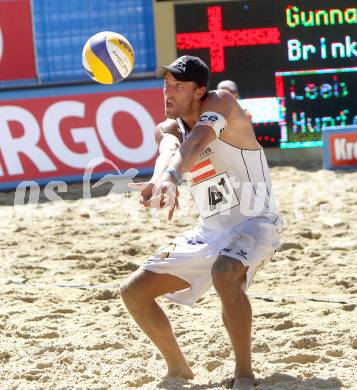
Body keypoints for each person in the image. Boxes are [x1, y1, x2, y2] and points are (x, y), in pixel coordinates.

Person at [120, 55, 282, 390]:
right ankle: (178, 368)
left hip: (256, 222)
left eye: (178, 86)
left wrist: (174, 177)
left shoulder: (221, 103)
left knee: (224, 273)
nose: (168, 92)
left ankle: (244, 376)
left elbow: (196, 143)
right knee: (134, 293)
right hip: (211, 232)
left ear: (200, 91)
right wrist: (161, 177)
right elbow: (170, 148)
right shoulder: (167, 126)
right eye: (166, 85)